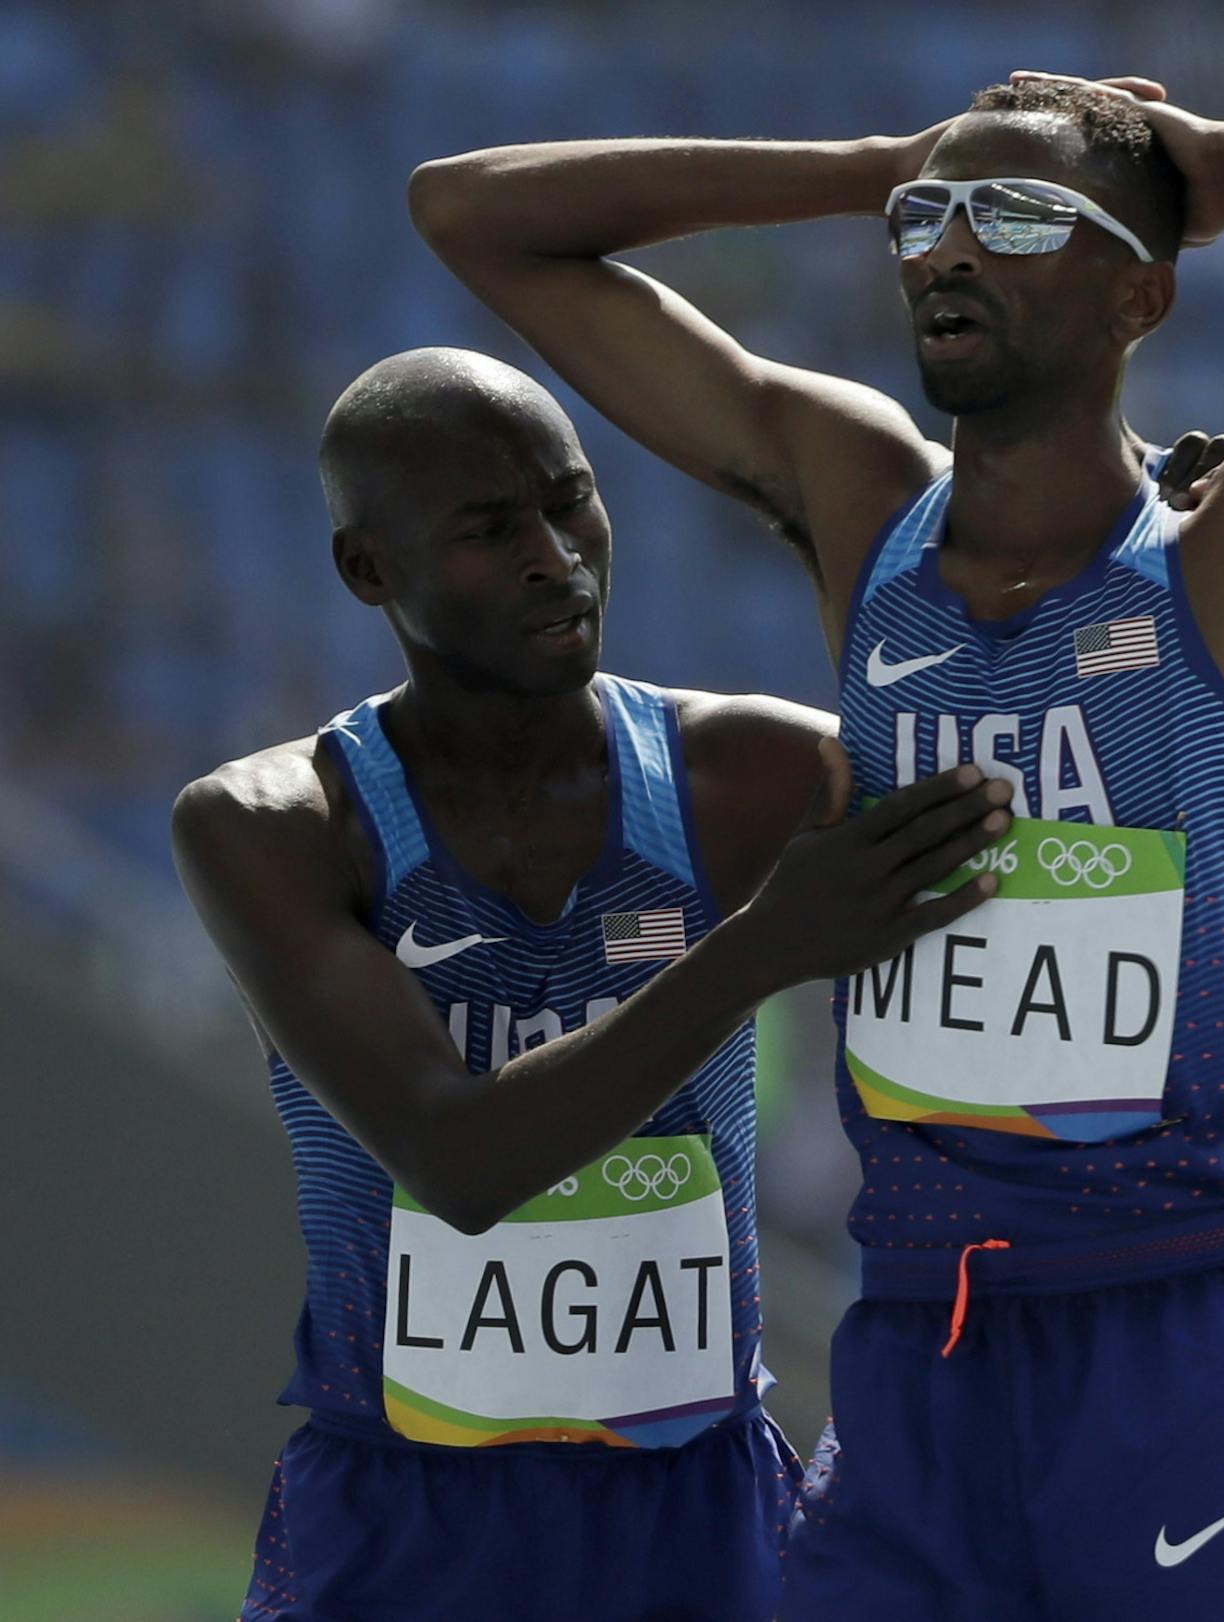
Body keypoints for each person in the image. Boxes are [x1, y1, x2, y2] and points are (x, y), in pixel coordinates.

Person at [412, 72, 1224, 1621]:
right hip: (922, 1341)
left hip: (1182, 1319)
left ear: (1140, 292)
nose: (951, 249)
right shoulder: (862, 501)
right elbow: (474, 215)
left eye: (1020, 217)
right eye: (930, 224)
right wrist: (867, 162)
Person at [170, 347, 1017, 1622]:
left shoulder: (749, 774)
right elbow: (456, 1162)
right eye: (488, 528)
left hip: (695, 1503)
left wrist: (1155, 539)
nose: (557, 556)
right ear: (369, 569)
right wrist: (760, 944)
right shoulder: (273, 825)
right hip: (408, 1515)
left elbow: (1038, 797)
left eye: (571, 499)